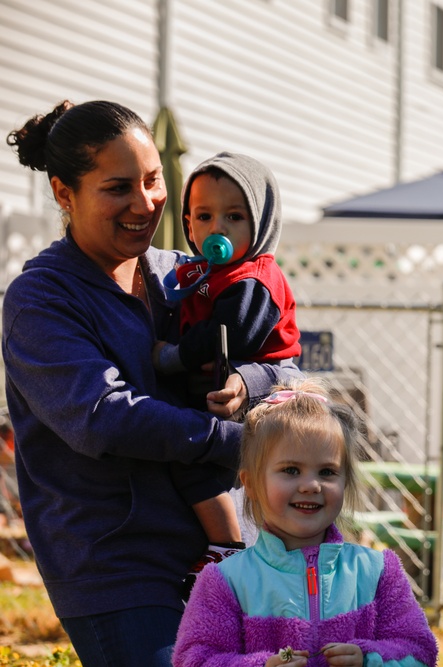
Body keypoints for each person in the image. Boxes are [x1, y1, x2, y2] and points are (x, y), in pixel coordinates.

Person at [3, 100, 299, 667]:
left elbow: (287, 366)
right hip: (118, 566)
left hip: (229, 553)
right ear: (65, 193)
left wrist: (251, 378)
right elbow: (104, 417)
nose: (145, 204)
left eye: (153, 179)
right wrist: (245, 445)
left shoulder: (181, 275)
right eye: (118, 188)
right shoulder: (42, 299)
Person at [172, 379, 439, 667]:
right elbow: (195, 660)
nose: (311, 485)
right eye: (291, 470)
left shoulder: (378, 573)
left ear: (345, 481)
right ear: (250, 483)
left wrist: (369, 660)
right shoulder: (226, 582)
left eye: (327, 471)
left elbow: (420, 652)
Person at [152, 151, 303, 590]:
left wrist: (170, 357)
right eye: (204, 215)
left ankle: (227, 544)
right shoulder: (204, 271)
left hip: (265, 391)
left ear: (260, 224)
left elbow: (230, 333)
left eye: (234, 216)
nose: (217, 229)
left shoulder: (253, 278)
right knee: (192, 462)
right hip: (218, 388)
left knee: (201, 461)